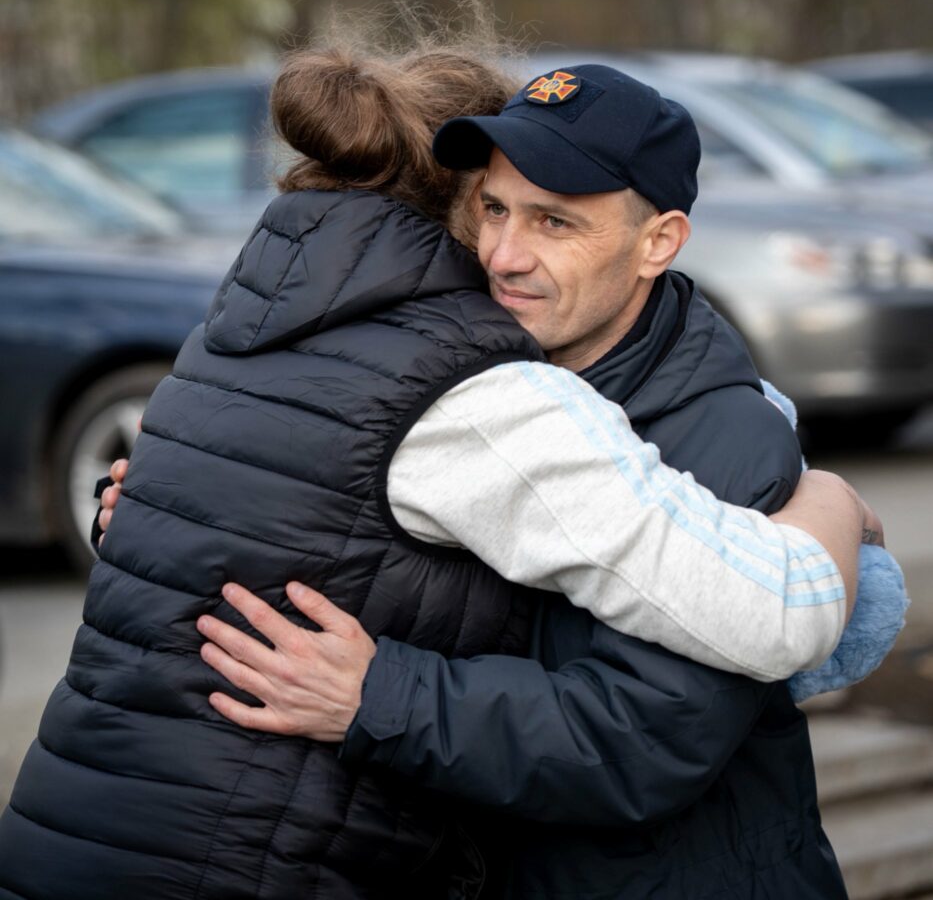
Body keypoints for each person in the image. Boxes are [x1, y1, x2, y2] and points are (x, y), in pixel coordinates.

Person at [0, 46, 873, 900]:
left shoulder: (705, 420)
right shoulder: (461, 385)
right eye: (491, 210)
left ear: (658, 243)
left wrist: (380, 696)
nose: (504, 254)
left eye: (553, 221)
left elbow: (652, 732)